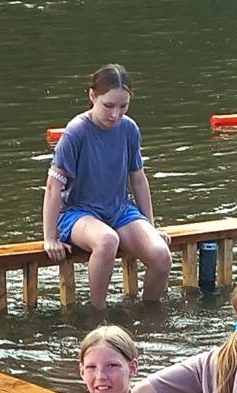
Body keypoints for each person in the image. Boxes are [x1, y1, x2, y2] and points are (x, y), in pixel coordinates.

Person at [41, 64, 172, 311]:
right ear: (93, 96)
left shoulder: (129, 129)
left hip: (119, 209)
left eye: (123, 107)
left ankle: (150, 314)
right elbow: (52, 186)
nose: (115, 114)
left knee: (161, 255)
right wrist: (50, 238)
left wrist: (150, 226)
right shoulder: (76, 132)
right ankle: (97, 314)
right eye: (109, 106)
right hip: (78, 212)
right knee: (106, 240)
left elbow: (139, 180)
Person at [74, 324, 152, 393]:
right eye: (91, 367)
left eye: (112, 365)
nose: (101, 376)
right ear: (82, 371)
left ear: (132, 368)